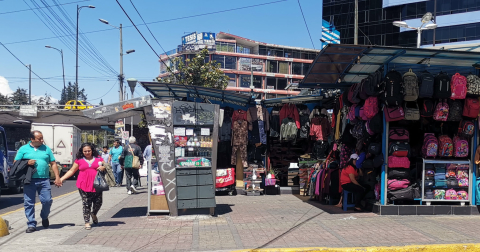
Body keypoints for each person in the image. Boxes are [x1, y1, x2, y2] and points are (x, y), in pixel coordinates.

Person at [14, 130, 61, 233]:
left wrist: (57, 177)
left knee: (47, 201)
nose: (42, 140)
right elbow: (16, 162)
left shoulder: (46, 149)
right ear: (32, 139)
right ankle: (31, 224)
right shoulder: (23, 149)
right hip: (29, 180)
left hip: (44, 179)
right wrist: (27, 162)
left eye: (42, 138)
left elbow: (53, 163)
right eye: (39, 138)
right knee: (29, 203)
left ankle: (44, 216)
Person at [60, 143, 106, 230]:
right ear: (82, 151)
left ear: (92, 150)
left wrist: (103, 168)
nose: (87, 152)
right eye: (85, 151)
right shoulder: (79, 160)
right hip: (83, 184)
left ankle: (94, 214)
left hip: (97, 184)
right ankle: (87, 222)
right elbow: (72, 171)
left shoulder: (99, 159)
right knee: (86, 203)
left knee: (98, 203)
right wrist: (61, 179)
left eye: (89, 151)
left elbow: (106, 166)